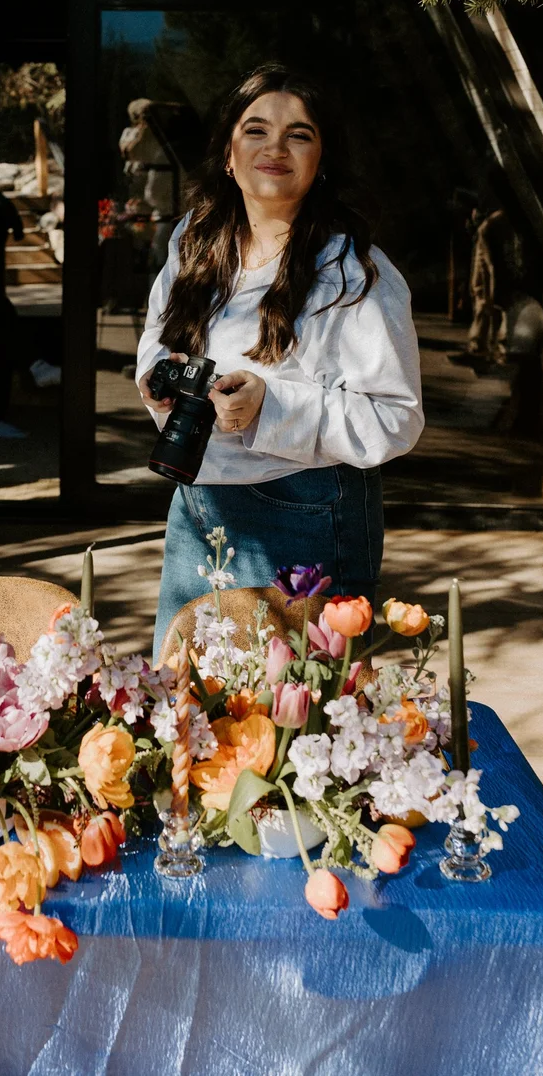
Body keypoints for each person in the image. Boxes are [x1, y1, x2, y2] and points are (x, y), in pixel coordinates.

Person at [136, 65, 424, 658]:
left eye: (299, 134)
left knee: (299, 721)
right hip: (198, 504)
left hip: (307, 511)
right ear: (227, 154)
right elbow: (157, 340)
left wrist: (272, 403)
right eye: (256, 129)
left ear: (323, 160)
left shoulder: (355, 273)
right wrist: (159, 383)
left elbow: (397, 417)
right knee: (188, 707)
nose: (275, 147)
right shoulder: (195, 242)